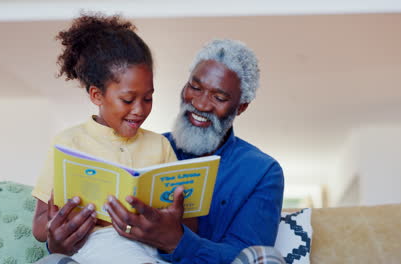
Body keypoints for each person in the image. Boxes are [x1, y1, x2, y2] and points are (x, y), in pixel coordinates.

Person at [103, 39, 285, 264]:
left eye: (218, 98)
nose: (200, 104)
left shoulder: (262, 171)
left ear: (241, 107)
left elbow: (247, 256)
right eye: (195, 87)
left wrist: (177, 241)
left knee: (266, 258)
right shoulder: (146, 146)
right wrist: (60, 241)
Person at [31, 13, 183, 264]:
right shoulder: (68, 143)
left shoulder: (160, 146)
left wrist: (163, 219)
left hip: (145, 253)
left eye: (148, 98)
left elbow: (187, 225)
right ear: (96, 95)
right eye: (127, 99)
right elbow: (39, 226)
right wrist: (63, 220)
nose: (139, 109)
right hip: (87, 254)